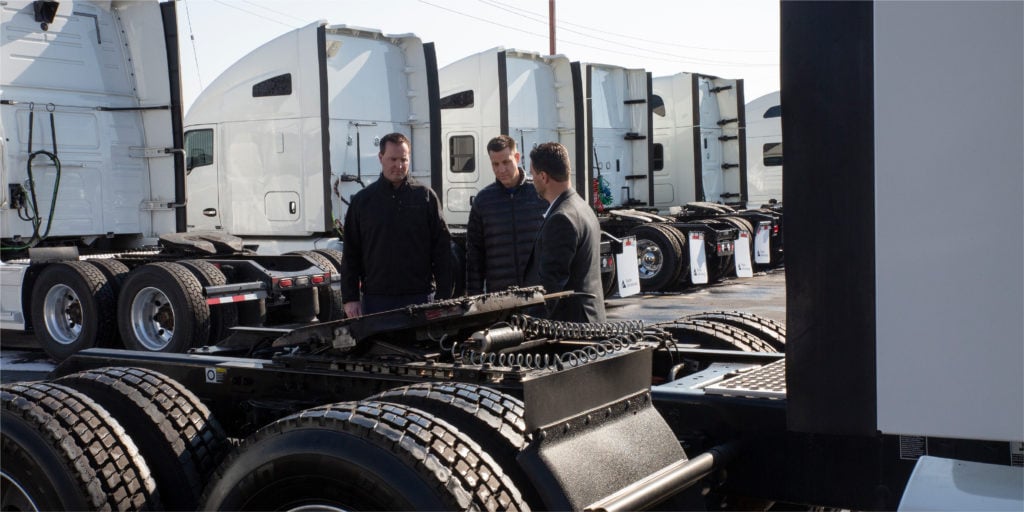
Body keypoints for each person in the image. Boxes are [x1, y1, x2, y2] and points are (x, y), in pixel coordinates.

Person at [340, 132, 452, 317]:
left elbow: (442, 251)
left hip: (421, 298)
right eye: (393, 159)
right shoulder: (363, 202)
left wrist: (444, 296)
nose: (398, 166)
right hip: (377, 300)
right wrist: (350, 298)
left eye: (404, 159)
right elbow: (351, 253)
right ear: (380, 157)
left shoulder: (425, 197)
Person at [524, 142, 606, 323]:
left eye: (533, 173)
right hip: (591, 321)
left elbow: (551, 287)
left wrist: (528, 325)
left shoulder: (561, 219)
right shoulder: (582, 207)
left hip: (572, 328)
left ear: (543, 176)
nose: (532, 179)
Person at [465, 135, 547, 296]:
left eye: (506, 162)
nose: (501, 170)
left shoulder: (540, 194)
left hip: (539, 295)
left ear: (517, 157)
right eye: (495, 164)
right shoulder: (483, 201)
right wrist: (473, 297)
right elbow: (474, 256)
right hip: (501, 298)